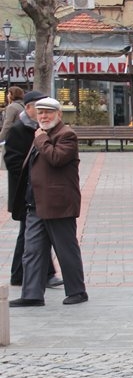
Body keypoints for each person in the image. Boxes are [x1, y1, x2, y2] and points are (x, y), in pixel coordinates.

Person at [9, 97, 87, 307]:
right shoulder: (40, 135)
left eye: (48, 113)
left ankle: (77, 291)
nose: (43, 116)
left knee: (65, 249)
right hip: (34, 204)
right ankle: (32, 294)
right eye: (40, 112)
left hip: (58, 204)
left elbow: (56, 158)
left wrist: (41, 139)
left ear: (58, 115)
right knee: (32, 251)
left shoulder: (66, 135)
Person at [3, 90, 62, 288]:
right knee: (29, 234)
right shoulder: (20, 130)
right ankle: (24, 275)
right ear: (28, 108)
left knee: (34, 233)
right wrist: (33, 174)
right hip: (25, 192)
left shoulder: (40, 129)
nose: (42, 114)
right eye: (38, 109)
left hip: (38, 190)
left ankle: (35, 274)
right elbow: (12, 162)